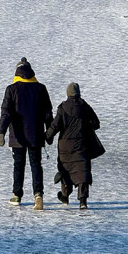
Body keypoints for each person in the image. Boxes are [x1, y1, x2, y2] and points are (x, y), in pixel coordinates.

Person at [0, 57, 54, 209]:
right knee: (36, 164)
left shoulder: (12, 89)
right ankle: (38, 194)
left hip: (18, 136)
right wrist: (49, 132)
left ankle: (16, 195)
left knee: (18, 165)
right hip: (36, 134)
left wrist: (1, 131)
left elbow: (6, 113)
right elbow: (48, 113)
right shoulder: (41, 88)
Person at [45, 82, 103, 210]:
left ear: (68, 93)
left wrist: (47, 137)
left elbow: (55, 126)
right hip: (81, 145)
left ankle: (65, 196)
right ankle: (83, 201)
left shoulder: (63, 108)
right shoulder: (85, 107)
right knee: (82, 172)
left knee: (66, 170)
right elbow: (96, 124)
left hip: (65, 147)